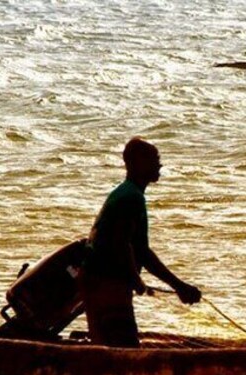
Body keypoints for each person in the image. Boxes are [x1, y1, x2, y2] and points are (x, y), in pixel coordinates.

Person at [81, 137, 202, 347]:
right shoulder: (131, 198)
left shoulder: (128, 193)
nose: (159, 165)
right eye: (155, 159)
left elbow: (140, 250)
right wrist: (137, 279)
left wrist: (178, 286)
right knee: (124, 348)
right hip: (108, 284)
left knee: (105, 347)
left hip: (95, 280)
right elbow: (122, 244)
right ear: (138, 163)